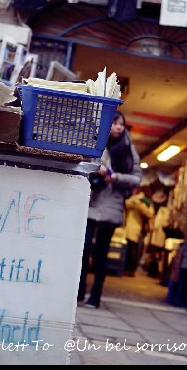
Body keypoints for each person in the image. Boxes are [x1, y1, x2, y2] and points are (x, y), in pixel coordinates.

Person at [78, 111, 142, 308]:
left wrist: (116, 177)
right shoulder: (96, 141)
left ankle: (95, 297)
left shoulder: (128, 149)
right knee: (83, 248)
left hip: (111, 206)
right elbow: (80, 162)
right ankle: (78, 292)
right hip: (92, 202)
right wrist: (97, 169)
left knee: (101, 253)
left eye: (121, 124)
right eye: (114, 123)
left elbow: (137, 178)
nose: (118, 127)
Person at [122, 186, 154, 277]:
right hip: (135, 227)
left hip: (134, 227)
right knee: (133, 248)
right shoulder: (141, 201)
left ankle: (130, 269)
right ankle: (130, 269)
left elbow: (149, 213)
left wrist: (137, 204)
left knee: (132, 248)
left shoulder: (141, 200)